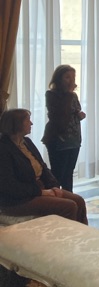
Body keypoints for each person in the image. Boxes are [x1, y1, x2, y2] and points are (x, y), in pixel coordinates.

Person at [0, 109, 87, 224]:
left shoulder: (26, 142)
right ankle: (66, 234)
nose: (31, 123)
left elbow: (43, 167)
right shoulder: (3, 149)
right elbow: (10, 187)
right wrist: (41, 192)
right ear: (17, 124)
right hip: (18, 200)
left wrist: (54, 187)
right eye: (28, 120)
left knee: (79, 200)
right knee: (69, 206)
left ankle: (83, 234)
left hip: (38, 189)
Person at [41, 64, 86, 192]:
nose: (71, 80)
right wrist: (69, 94)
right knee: (58, 174)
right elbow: (58, 115)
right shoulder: (51, 94)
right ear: (59, 79)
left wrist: (79, 114)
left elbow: (75, 110)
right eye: (67, 77)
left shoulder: (73, 95)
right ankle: (54, 198)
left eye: (73, 77)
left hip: (74, 139)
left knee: (69, 173)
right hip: (58, 139)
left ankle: (68, 197)